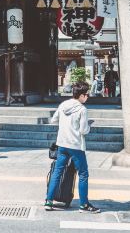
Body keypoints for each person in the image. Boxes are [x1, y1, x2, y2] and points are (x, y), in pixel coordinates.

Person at [44, 81, 100, 213]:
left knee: (57, 172)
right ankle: (84, 205)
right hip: (76, 146)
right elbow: (83, 130)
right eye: (86, 95)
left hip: (62, 144)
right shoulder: (82, 109)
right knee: (83, 174)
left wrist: (65, 124)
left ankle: (48, 201)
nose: (87, 97)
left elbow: (53, 120)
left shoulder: (64, 104)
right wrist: (89, 126)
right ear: (81, 95)